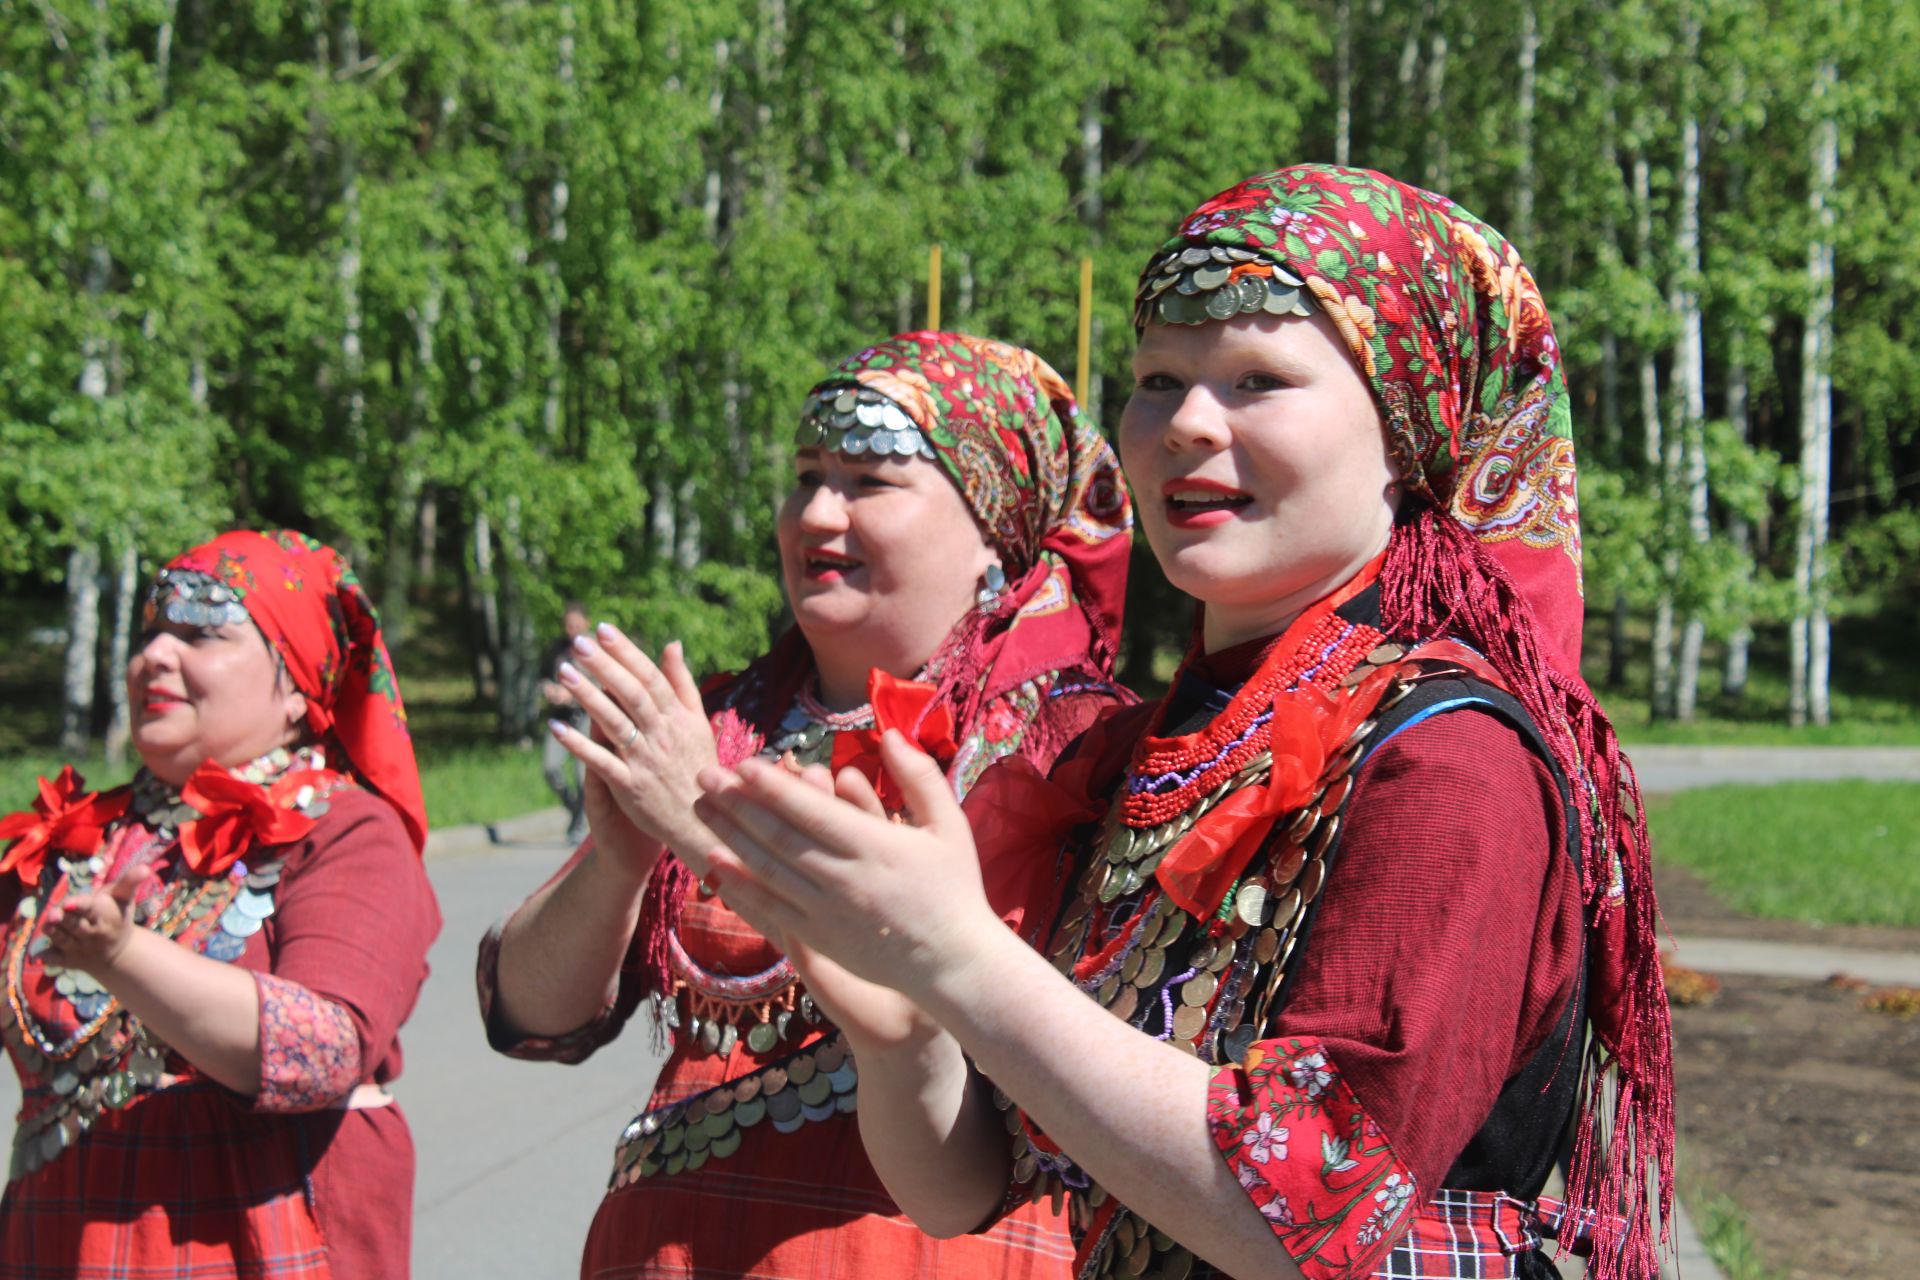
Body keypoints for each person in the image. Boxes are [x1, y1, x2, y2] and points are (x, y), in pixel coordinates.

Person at [691, 166, 1675, 1280]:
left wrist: (958, 954)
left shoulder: (1452, 759)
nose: (1188, 425)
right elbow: (963, 1191)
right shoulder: (1156, 747)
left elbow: (1303, 1210)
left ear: (1406, 432)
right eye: (1159, 378)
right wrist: (899, 1028)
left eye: (1259, 378)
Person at [476, 331, 1134, 1277]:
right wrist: (622, 855)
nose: (818, 513)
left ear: (992, 522)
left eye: (870, 481)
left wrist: (700, 820)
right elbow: (532, 1015)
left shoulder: (1070, 748)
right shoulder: (724, 723)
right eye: (806, 474)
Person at [0, 529, 440, 1277]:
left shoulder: (344, 831)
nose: (156, 656)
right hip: (61, 1237)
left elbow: (323, 1050)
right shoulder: (71, 839)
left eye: (202, 633)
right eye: (150, 632)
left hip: (250, 1236)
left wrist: (124, 956)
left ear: (297, 690)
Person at [542, 601, 594, 843]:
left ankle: (580, 826)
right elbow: (541, 677)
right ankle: (574, 807)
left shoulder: (594, 650)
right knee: (550, 768)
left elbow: (602, 685)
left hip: (585, 717)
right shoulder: (557, 648)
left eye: (576, 624)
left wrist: (574, 694)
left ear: (586, 623)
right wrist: (549, 690)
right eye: (568, 624)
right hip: (560, 717)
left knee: (582, 774)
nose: (571, 629)